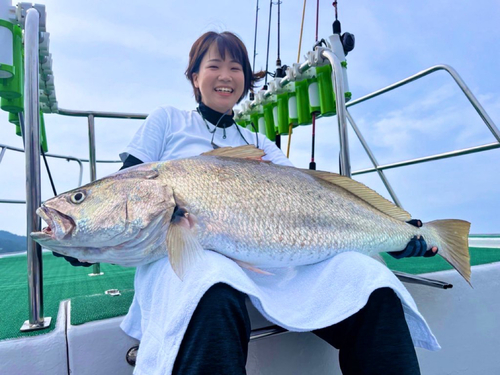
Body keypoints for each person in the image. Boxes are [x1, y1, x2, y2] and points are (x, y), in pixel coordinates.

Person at [58, 31, 439, 375]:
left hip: (269, 258)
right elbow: (127, 190)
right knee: (212, 282)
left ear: (245, 79)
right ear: (194, 77)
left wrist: (396, 231)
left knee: (369, 279)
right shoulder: (168, 121)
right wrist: (87, 233)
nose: (225, 75)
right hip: (185, 258)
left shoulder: (260, 143)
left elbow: (312, 196)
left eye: (235, 67)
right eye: (214, 65)